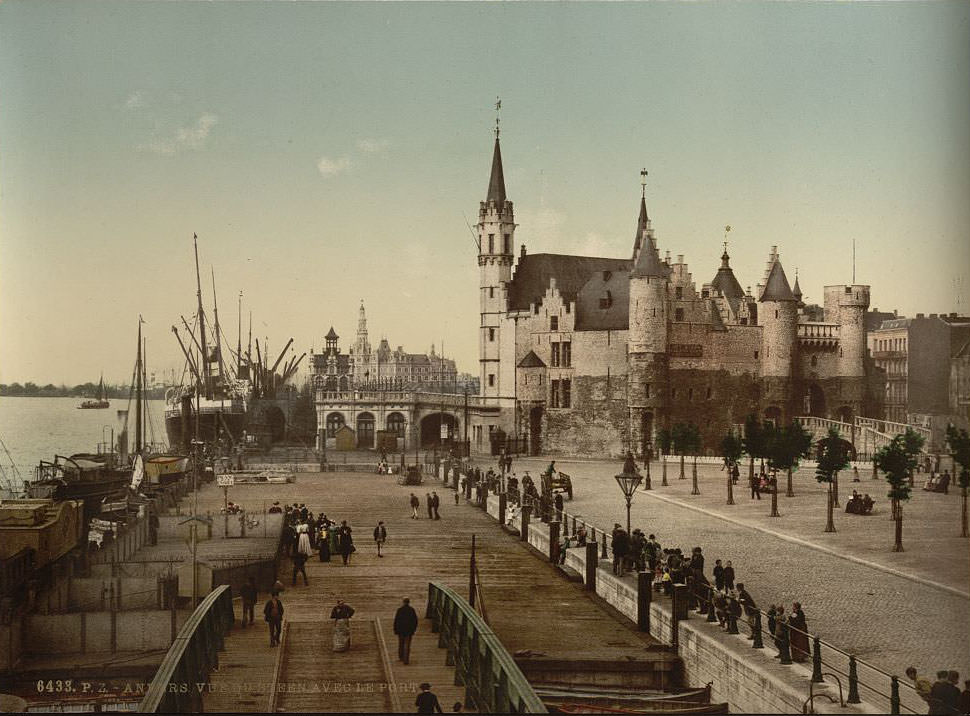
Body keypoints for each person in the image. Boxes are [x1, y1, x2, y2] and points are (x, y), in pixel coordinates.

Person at [392, 597, 418, 664]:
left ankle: (401, 657)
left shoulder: (400, 610)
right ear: (409, 602)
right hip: (409, 630)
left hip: (401, 630)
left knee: (401, 644)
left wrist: (395, 629)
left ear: (403, 602)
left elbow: (396, 620)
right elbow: (415, 621)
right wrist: (414, 629)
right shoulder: (412, 610)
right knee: (407, 645)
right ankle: (406, 659)